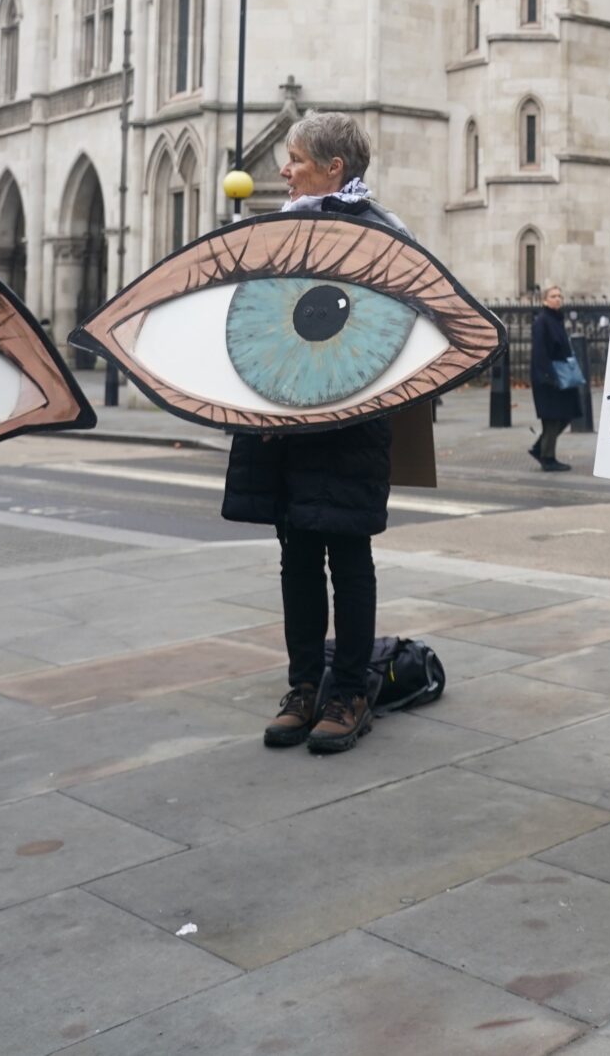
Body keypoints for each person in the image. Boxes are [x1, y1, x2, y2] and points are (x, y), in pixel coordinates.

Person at [228, 112, 405, 754]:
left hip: (349, 427)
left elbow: (397, 331)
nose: (284, 169)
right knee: (296, 555)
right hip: (284, 425)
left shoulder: (382, 235)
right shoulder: (276, 231)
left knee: (348, 557)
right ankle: (304, 688)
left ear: (335, 168)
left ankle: (351, 692)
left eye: (296, 158)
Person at [529, 284, 580, 473]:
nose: (558, 299)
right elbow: (540, 353)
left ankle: (539, 448)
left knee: (567, 414)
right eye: (553, 296)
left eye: (560, 295)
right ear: (545, 300)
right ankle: (547, 458)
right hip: (548, 379)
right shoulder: (542, 321)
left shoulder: (556, 320)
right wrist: (549, 377)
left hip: (561, 376)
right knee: (551, 418)